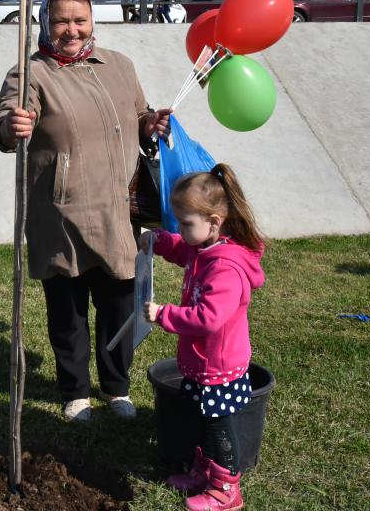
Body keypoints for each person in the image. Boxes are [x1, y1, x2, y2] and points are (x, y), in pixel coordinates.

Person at [0, 0, 171, 423]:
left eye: (79, 20)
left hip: (116, 210)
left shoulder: (119, 66)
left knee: (119, 304)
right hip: (62, 214)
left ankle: (116, 388)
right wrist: (10, 126)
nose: (71, 29)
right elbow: (3, 123)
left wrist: (150, 124)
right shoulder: (29, 73)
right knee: (68, 311)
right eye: (61, 20)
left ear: (93, 21)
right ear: (45, 23)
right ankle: (75, 393)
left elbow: (135, 115)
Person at [140, 163, 265, 511]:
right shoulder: (203, 248)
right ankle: (204, 473)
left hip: (220, 366)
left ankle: (227, 491)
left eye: (185, 223)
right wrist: (161, 240)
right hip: (202, 363)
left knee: (219, 428)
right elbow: (184, 249)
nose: (180, 228)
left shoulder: (226, 268)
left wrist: (164, 314)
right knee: (203, 420)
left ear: (213, 222)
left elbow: (209, 318)